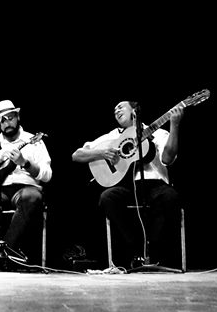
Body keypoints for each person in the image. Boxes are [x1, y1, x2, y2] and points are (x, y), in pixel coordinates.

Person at [72, 100, 184, 269]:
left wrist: (174, 125)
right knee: (108, 197)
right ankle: (134, 249)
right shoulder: (113, 136)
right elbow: (77, 155)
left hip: (155, 184)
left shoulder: (158, 132)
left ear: (135, 110)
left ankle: (154, 252)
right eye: (114, 109)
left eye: (120, 106)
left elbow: (168, 159)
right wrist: (102, 152)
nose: (116, 110)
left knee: (170, 196)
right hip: (127, 185)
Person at [0, 100, 52, 265]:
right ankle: (13, 248)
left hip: (26, 188)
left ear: (18, 116)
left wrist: (25, 163)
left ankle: (4, 251)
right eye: (2, 120)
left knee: (31, 197)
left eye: (10, 117)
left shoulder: (33, 140)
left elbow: (47, 175)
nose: (7, 123)